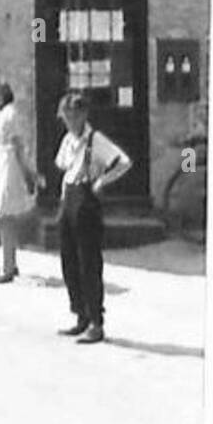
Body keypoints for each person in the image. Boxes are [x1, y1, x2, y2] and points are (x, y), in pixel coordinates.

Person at [51, 90, 133, 344]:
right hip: (69, 197)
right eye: (66, 116)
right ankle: (80, 315)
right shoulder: (68, 140)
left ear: (83, 115)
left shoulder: (95, 140)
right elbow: (62, 165)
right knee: (69, 260)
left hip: (86, 202)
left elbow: (123, 162)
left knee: (89, 263)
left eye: (73, 116)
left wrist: (101, 181)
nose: (69, 121)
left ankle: (96, 322)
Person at [0, 79, 36, 284]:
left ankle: (7, 267)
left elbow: (17, 146)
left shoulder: (9, 115)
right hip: (6, 165)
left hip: (11, 168)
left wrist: (27, 174)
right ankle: (9, 262)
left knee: (4, 216)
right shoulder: (4, 114)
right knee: (4, 217)